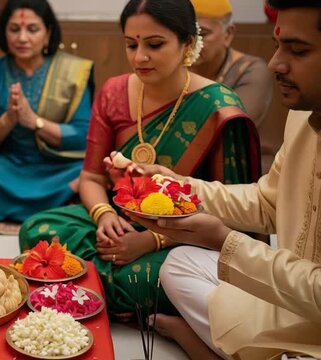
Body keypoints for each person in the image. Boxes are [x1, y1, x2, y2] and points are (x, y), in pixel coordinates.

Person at [19, 0, 261, 316]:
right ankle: (112, 297)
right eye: (131, 44)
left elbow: (231, 215)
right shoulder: (114, 91)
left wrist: (151, 240)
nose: (139, 57)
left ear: (188, 43)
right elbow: (91, 177)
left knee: (145, 278)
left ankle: (84, 288)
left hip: (186, 237)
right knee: (36, 229)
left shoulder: (218, 108)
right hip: (120, 221)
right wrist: (105, 216)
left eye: (155, 44)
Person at [123, 1, 321, 359]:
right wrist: (179, 185)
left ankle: (201, 343)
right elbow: (266, 202)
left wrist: (225, 240)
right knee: (179, 263)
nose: (276, 62)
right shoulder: (304, 118)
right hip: (287, 295)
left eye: (299, 50)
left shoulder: (222, 96)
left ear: (185, 46)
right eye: (278, 45)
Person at [0, 0, 94, 222]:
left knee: (90, 174)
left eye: (32, 29)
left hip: (57, 168)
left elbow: (82, 136)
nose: (22, 38)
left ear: (48, 32)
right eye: (14, 29)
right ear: (4, 32)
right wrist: (8, 119)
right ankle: (58, 205)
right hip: (7, 166)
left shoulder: (73, 72)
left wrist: (34, 121)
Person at [191, 0, 282, 174]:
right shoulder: (178, 67)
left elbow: (229, 130)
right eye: (187, 34)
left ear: (228, 34)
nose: (194, 42)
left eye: (202, 33)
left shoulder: (251, 70)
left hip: (249, 175)